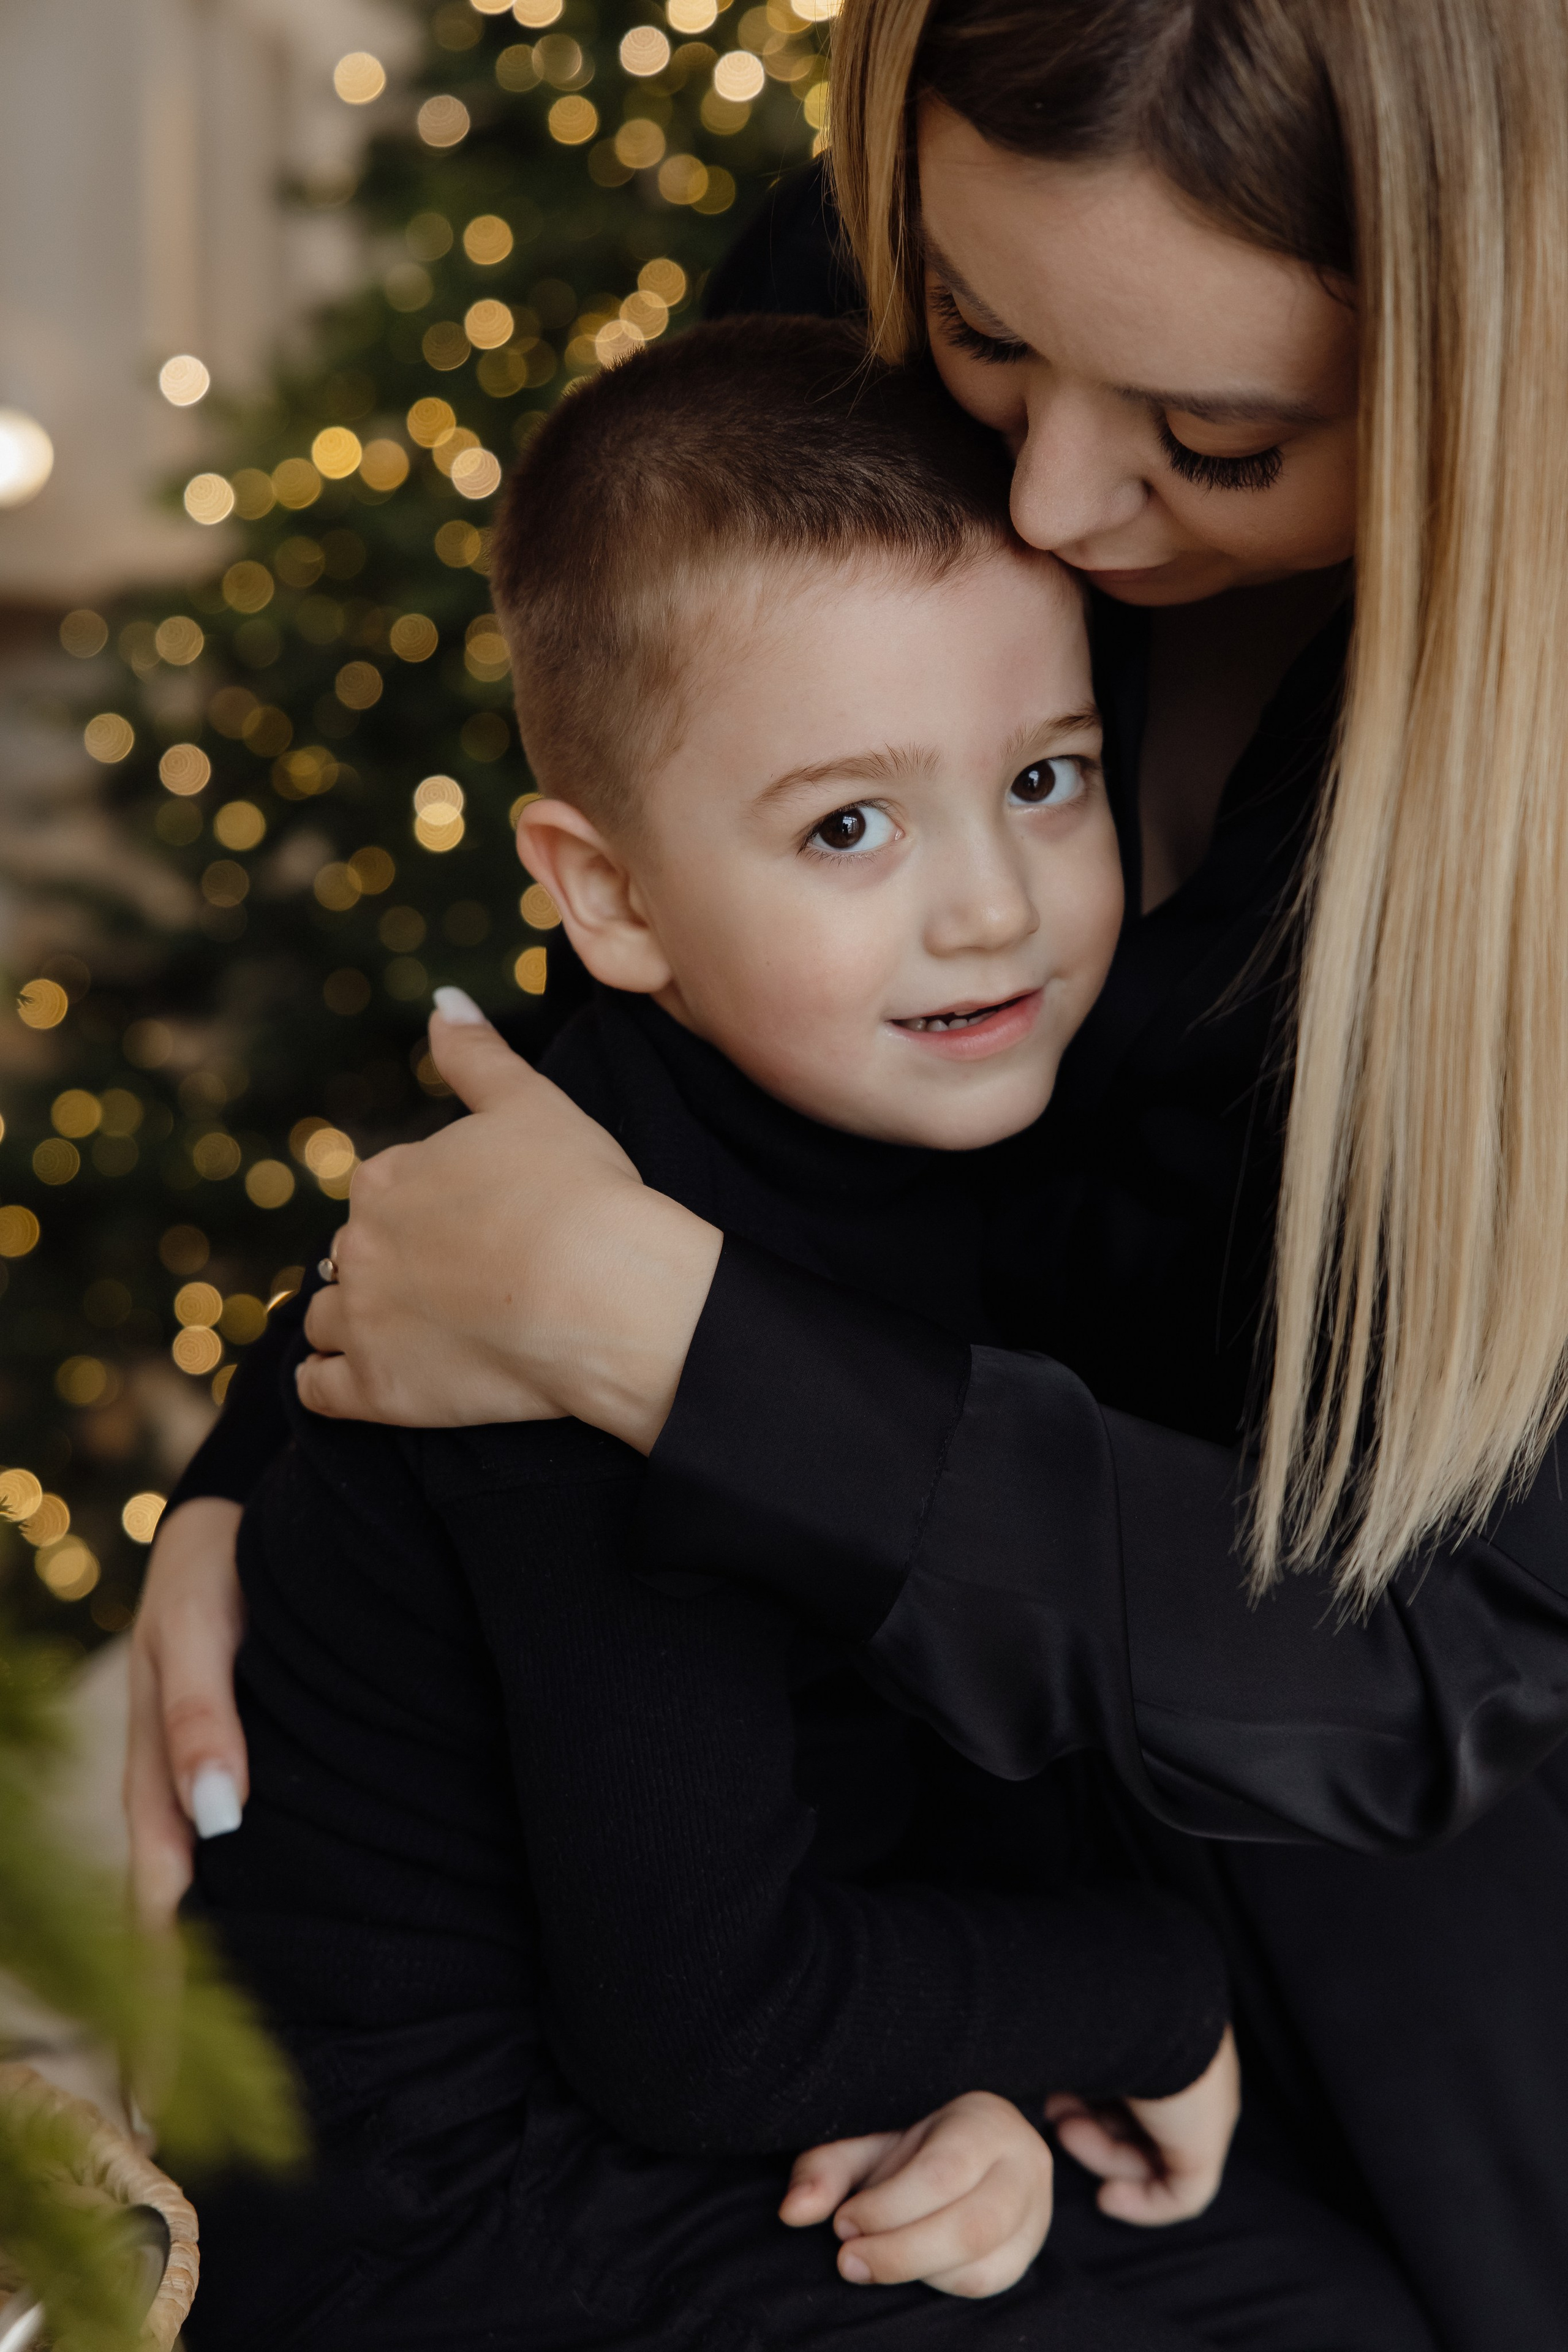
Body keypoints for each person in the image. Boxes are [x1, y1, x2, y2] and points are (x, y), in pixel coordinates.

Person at [131, 3, 1568, 2342]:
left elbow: (1451, 1646)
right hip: (885, 1920)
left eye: (1213, 438)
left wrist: (674, 1355)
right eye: (992, 344)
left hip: (1372, 1889)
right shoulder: (886, 257)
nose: (1053, 509)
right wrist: (293, 1424)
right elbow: (664, 900)